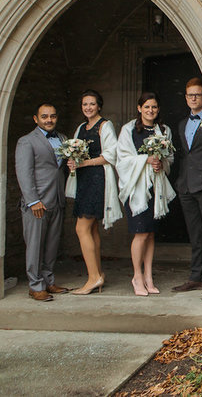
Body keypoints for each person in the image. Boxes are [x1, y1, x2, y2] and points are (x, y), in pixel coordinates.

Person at [116, 92, 176, 297]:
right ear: (139, 108)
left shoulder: (164, 130)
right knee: (140, 232)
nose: (151, 110)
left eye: (154, 107)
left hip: (155, 187)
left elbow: (170, 158)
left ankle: (149, 276)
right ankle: (137, 276)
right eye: (147, 107)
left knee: (150, 233)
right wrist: (146, 160)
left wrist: (161, 163)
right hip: (137, 188)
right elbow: (122, 159)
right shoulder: (128, 129)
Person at [67, 90, 122, 295]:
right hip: (83, 180)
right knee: (91, 230)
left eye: (92, 104)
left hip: (97, 180)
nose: (88, 107)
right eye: (84, 104)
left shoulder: (104, 126)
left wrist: (84, 163)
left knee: (81, 229)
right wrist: (73, 162)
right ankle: (98, 274)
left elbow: (110, 155)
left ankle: (93, 278)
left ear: (99, 106)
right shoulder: (81, 127)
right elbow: (74, 151)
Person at [14, 102, 70, 301]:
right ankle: (35, 285)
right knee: (35, 245)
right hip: (37, 202)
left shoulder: (63, 138)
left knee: (52, 244)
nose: (49, 120)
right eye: (45, 116)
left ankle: (48, 280)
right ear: (36, 119)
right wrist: (32, 201)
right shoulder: (26, 141)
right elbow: (24, 173)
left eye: (53, 116)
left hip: (56, 199)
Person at [172, 78, 202, 301]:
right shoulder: (182, 123)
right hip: (187, 185)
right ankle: (197, 277)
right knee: (195, 234)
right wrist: (182, 182)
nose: (193, 99)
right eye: (190, 95)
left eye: (197, 95)